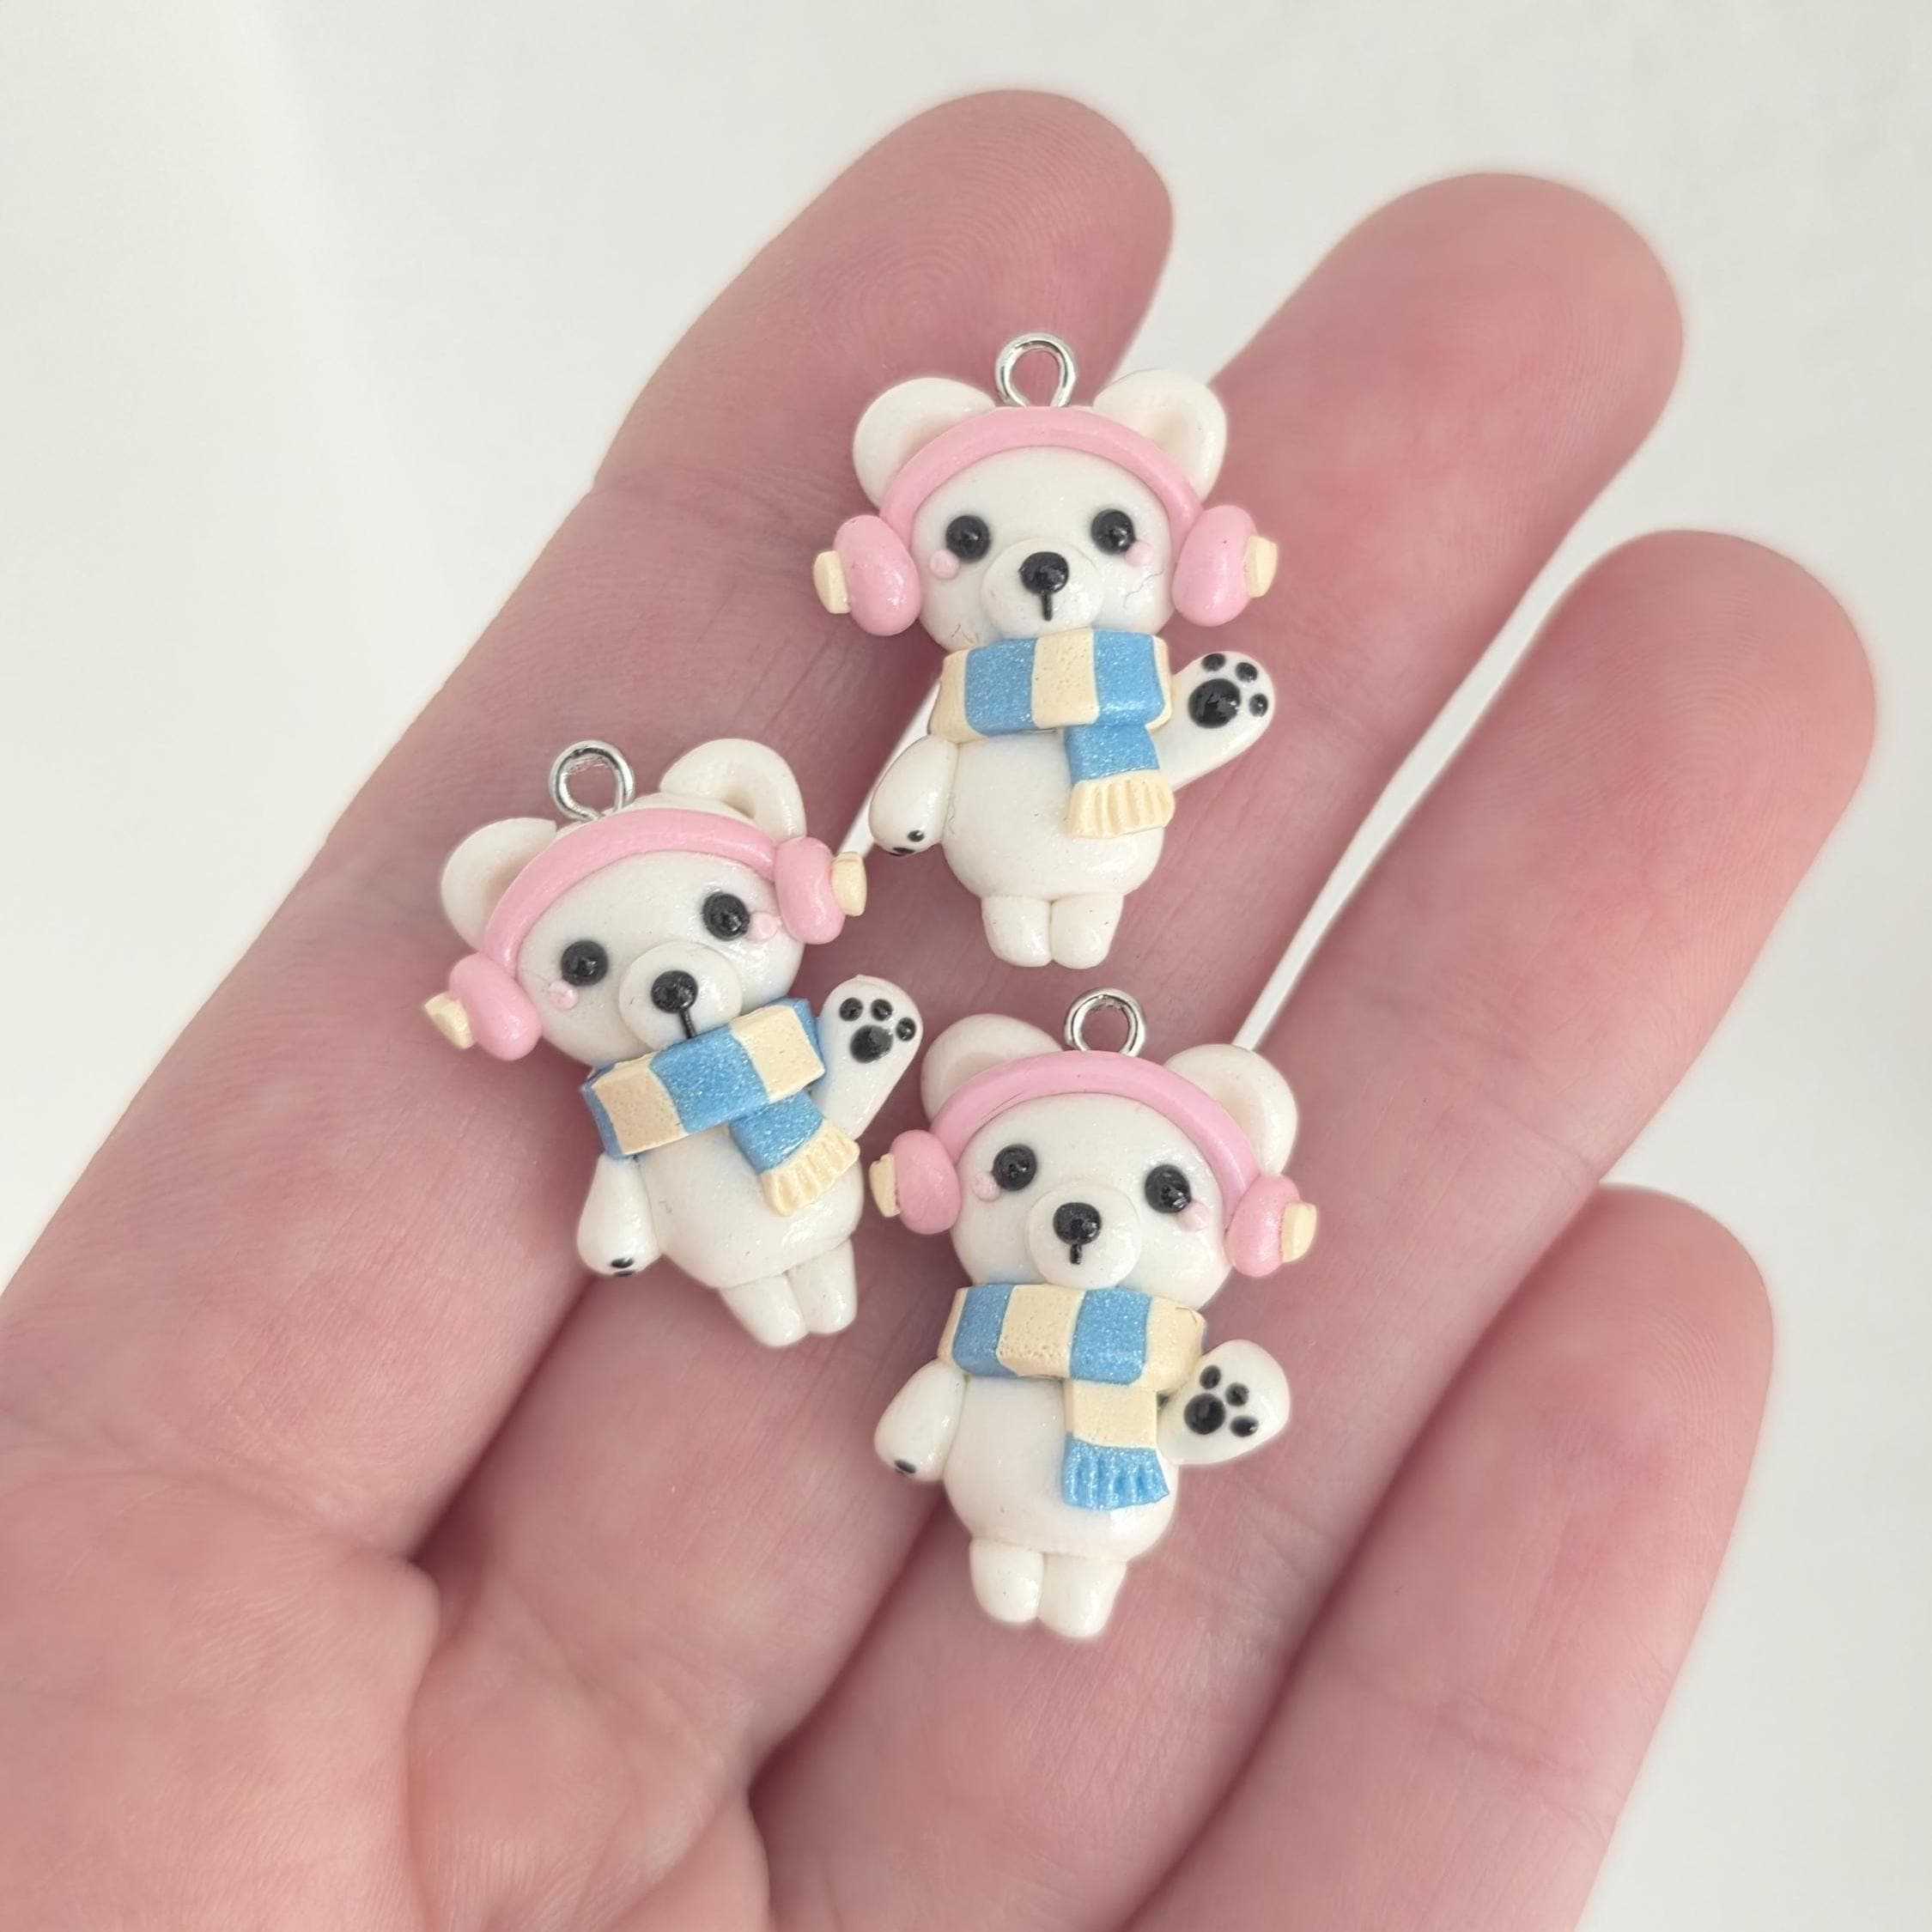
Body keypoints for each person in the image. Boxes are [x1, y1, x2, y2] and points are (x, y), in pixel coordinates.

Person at [0, 91, 1872, 1929]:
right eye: (585, 968)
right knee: (806, 1258)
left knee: (1031, 1032)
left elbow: (991, 1116)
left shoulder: (1089, 748)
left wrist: (1115, 1369)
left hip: (1048, 981)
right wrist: (724, 1122)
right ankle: (867, 1275)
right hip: (818, 1159)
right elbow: (824, 974)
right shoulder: (735, 1020)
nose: (1040, 568)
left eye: (1089, 539)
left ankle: (1036, 1488)